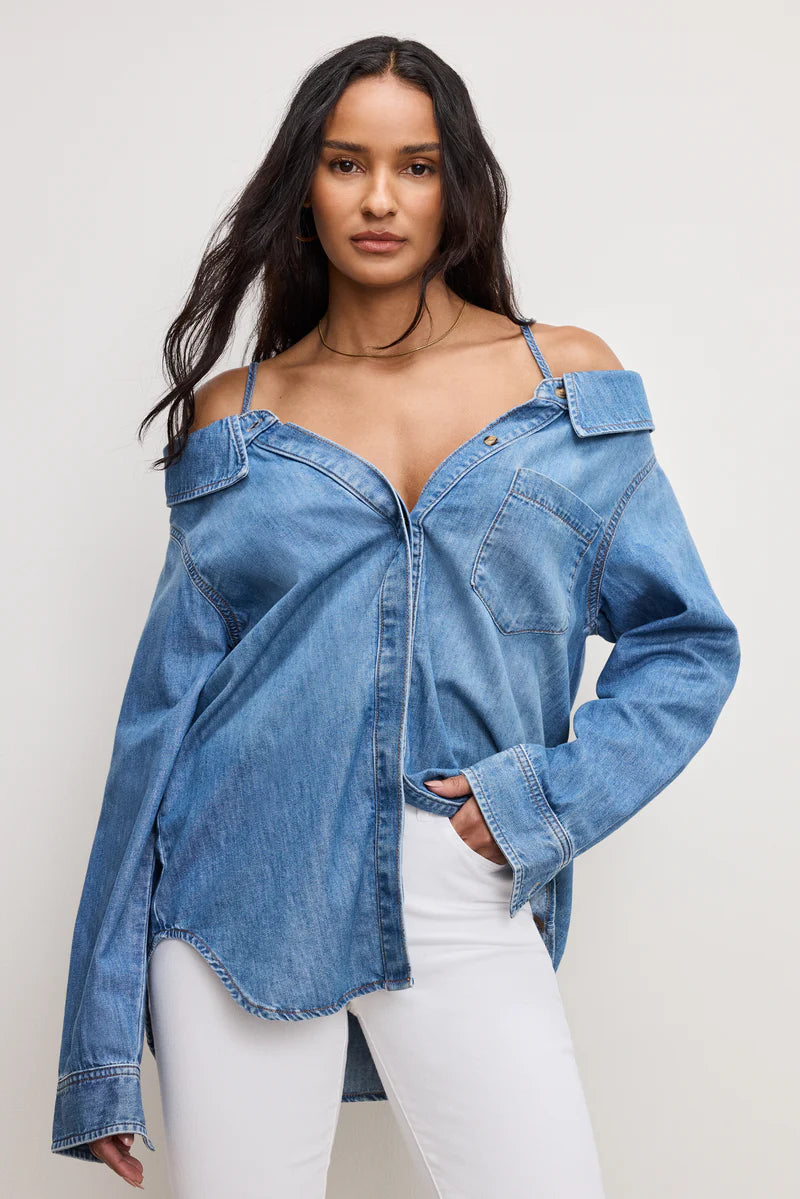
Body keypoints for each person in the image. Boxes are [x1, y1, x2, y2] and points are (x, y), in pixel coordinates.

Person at [50, 35, 741, 1198]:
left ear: (455, 185)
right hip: (237, 890)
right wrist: (98, 1045)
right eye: (345, 163)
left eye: (414, 165)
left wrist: (540, 800)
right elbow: (157, 726)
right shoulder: (236, 416)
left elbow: (683, 643)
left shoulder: (561, 384)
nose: (379, 198)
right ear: (303, 186)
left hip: (460, 868)